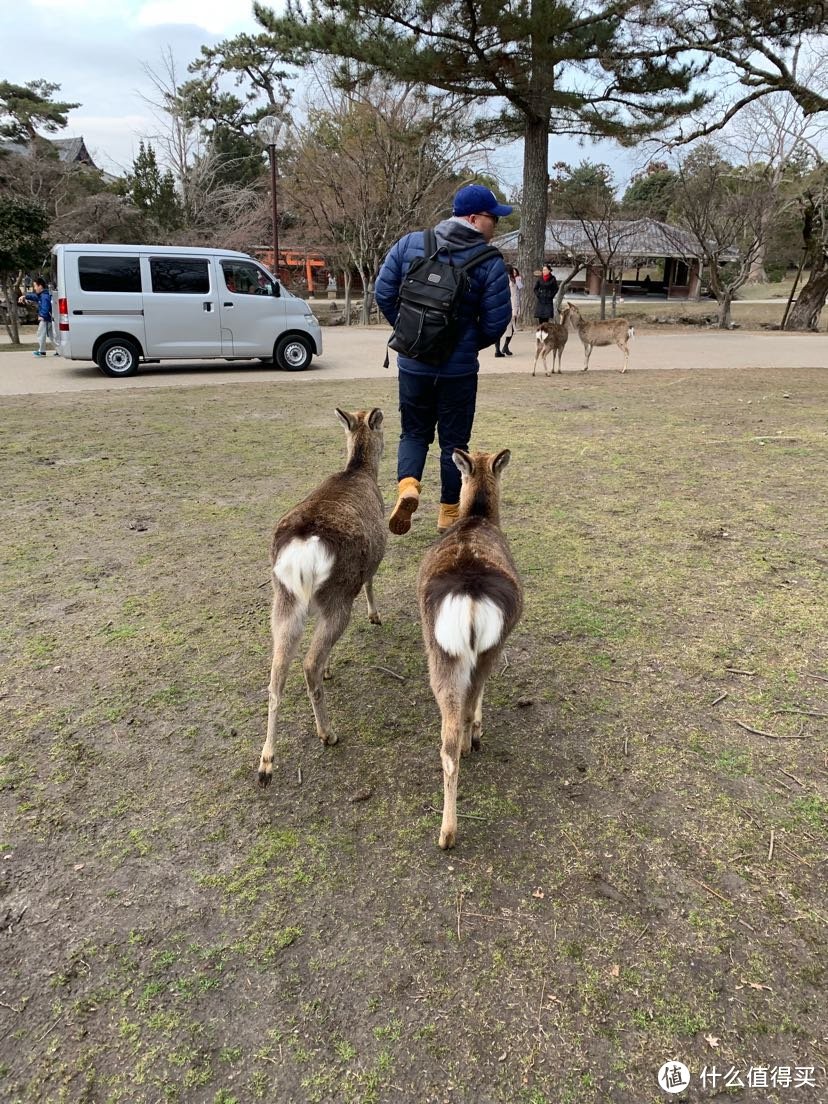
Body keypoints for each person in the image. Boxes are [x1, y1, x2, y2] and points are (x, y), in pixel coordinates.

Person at [375, 183, 512, 534]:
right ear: (472, 218)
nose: (494, 224)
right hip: (458, 371)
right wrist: (464, 344)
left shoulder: (410, 243)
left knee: (414, 432)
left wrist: (411, 334)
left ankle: (408, 487)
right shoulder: (489, 261)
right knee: (454, 443)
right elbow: (497, 321)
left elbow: (383, 291)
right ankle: (448, 514)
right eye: (491, 218)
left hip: (413, 363)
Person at [19, 277, 57, 357]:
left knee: (40, 333)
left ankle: (42, 352)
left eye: (35, 286)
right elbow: (34, 297)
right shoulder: (42, 295)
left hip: (46, 318)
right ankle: (59, 350)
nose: (35, 288)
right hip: (48, 318)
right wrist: (25, 296)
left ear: (40, 286)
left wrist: (42, 316)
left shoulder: (44, 296)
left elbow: (45, 306)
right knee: (51, 335)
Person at [495, 265, 521, 357]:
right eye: (513, 272)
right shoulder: (510, 281)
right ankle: (502, 348)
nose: (515, 274)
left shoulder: (500, 279)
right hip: (509, 307)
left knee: (502, 329)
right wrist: (514, 310)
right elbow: (513, 297)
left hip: (502, 307)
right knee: (510, 329)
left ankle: (501, 349)